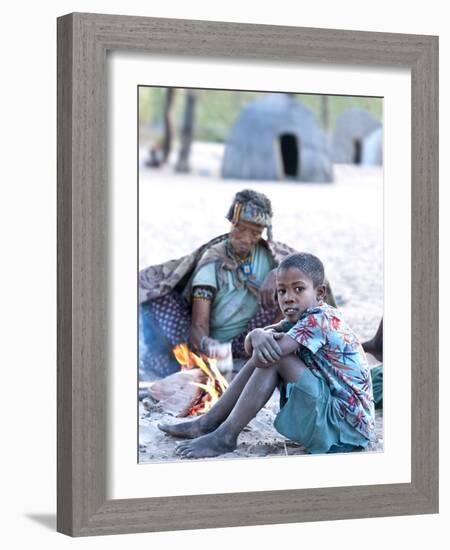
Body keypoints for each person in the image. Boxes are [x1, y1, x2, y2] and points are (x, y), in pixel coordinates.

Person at [158, 252, 375, 457]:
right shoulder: (298, 319)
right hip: (336, 415)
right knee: (267, 353)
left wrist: (258, 336)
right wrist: (256, 333)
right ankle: (208, 423)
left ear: (319, 293)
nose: (288, 298)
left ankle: (225, 435)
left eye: (298, 289)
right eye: (282, 291)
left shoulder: (319, 319)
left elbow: (272, 352)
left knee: (273, 357)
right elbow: (253, 347)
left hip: (346, 427)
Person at [139, 190, 336, 377]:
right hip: (207, 343)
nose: (245, 238)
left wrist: (278, 275)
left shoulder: (272, 256)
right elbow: (199, 325)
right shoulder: (214, 260)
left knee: (296, 291)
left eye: (255, 233)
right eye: (240, 228)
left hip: (251, 340)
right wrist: (213, 349)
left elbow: (311, 276)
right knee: (159, 300)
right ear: (232, 223)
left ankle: (272, 353)